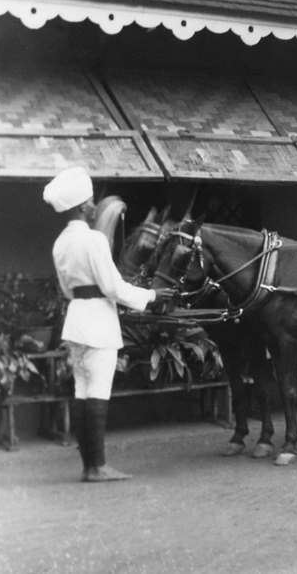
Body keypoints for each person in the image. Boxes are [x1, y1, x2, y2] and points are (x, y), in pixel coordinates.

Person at [43, 166, 175, 482]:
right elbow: (113, 288)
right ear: (80, 207)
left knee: (81, 390)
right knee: (98, 391)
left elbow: (67, 290)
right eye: (90, 202)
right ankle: (98, 466)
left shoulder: (60, 243)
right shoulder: (94, 240)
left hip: (76, 322)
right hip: (98, 324)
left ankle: (89, 467)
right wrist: (152, 295)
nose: (94, 207)